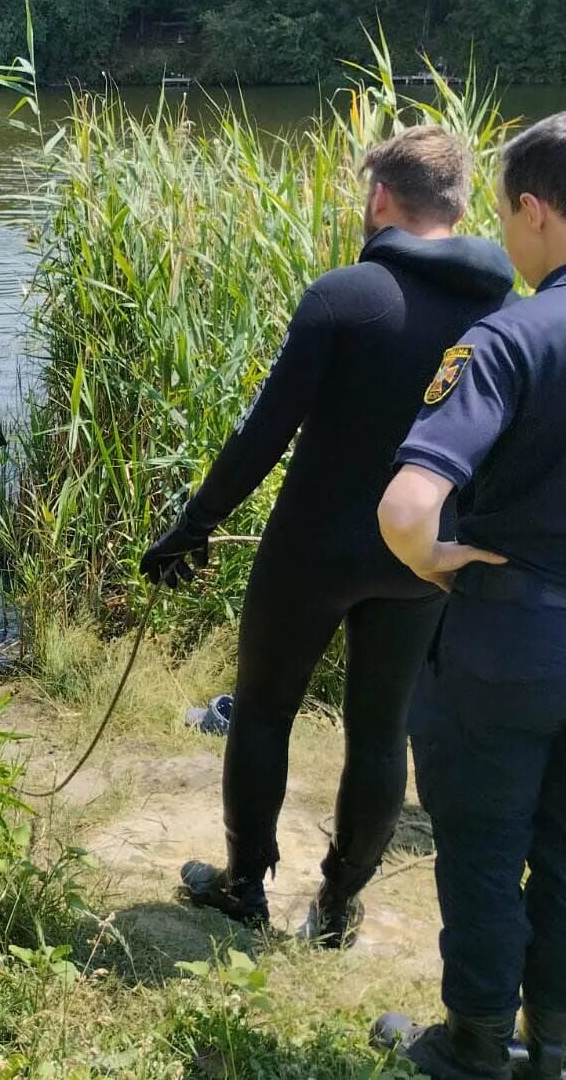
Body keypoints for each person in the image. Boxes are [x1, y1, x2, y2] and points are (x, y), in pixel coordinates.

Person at [139, 126, 515, 947]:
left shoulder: (346, 293)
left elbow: (264, 432)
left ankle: (244, 888)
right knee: (380, 730)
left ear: (380, 195)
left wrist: (194, 527)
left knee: (265, 712)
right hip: (423, 553)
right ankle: (340, 906)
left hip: (312, 547)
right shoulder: (504, 307)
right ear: (459, 204)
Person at [374, 110, 566, 1080]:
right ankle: (556, 1050)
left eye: (504, 214)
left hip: (510, 644)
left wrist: (434, 561)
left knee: (486, 850)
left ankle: (472, 1045)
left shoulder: (512, 335)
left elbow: (410, 504)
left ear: (534, 210)